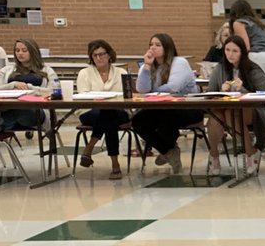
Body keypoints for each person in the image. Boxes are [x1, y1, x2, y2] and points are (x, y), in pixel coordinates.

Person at [131, 32, 200, 175]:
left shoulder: (179, 62)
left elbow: (173, 87)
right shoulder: (148, 65)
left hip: (188, 107)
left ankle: (168, 150)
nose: (153, 48)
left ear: (167, 47)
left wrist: (151, 92)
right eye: (151, 45)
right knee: (138, 120)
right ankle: (168, 151)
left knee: (164, 117)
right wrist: (147, 66)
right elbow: (141, 89)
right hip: (161, 107)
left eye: (157, 45)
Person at [205, 35, 265, 176]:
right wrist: (221, 92)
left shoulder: (253, 69)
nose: (230, 54)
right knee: (215, 118)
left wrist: (243, 89)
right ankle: (214, 155)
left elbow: (263, 95)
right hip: (224, 108)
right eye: (227, 50)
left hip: (251, 110)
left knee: (231, 113)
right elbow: (210, 93)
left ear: (242, 52)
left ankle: (250, 152)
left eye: (235, 51)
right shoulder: (219, 68)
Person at [76, 39, 130, 180]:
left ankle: (90, 147)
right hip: (90, 112)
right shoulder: (84, 73)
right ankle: (115, 163)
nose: (98, 58)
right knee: (108, 115)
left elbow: (126, 97)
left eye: (102, 54)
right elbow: (83, 97)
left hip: (119, 112)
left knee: (108, 113)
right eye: (95, 55)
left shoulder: (121, 72)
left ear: (109, 55)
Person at [0, 38, 58, 135]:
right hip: (8, 109)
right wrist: (13, 85)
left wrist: (30, 88)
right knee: (8, 112)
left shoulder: (47, 70)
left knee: (22, 109)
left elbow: (53, 91)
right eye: (17, 50)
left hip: (34, 110)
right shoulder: (6, 70)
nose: (20, 53)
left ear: (33, 51)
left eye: (24, 50)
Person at [227, 0, 265, 90]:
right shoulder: (258, 24)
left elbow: (245, 47)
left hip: (256, 57)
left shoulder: (238, 23)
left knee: (260, 93)